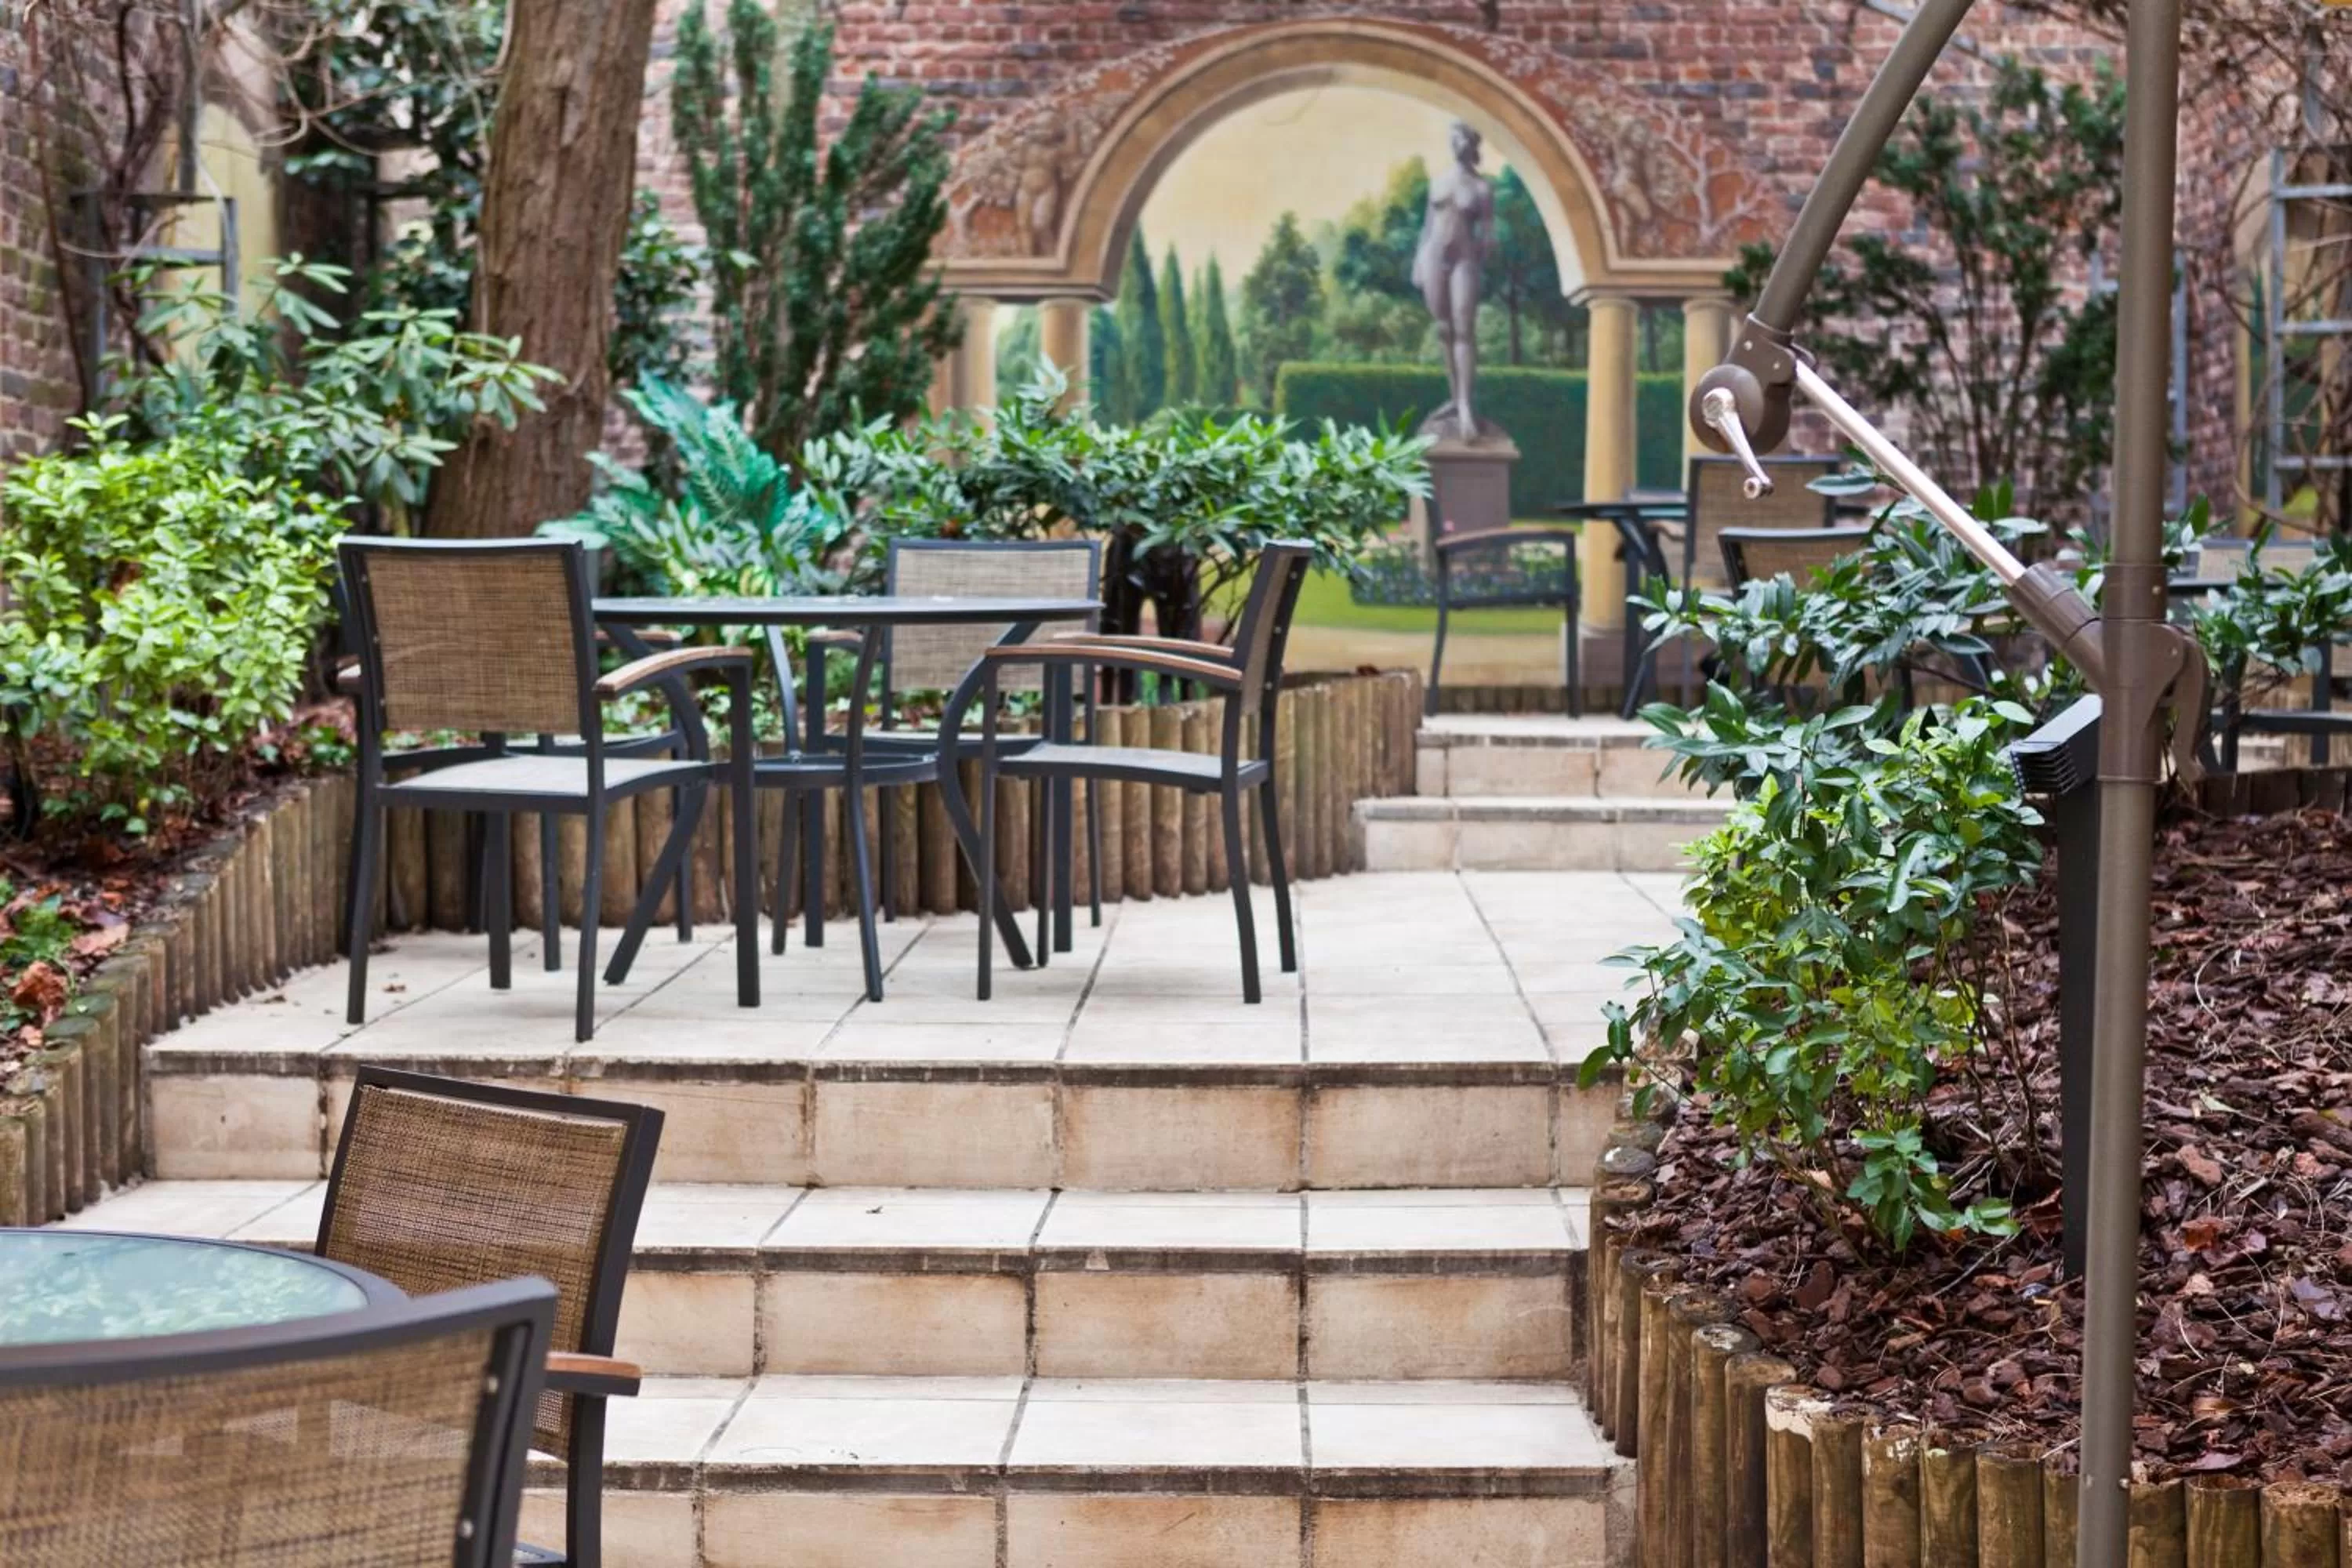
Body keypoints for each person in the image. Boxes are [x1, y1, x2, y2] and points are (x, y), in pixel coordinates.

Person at [1412, 121, 1497, 444]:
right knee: (1443, 329)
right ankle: (1453, 396)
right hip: (1434, 256)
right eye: (1453, 136)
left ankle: (1464, 404)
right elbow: (1426, 226)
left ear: (1472, 143)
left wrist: (1484, 256)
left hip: (1464, 260)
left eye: (1462, 136)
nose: (1457, 142)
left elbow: (1488, 235)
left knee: (1464, 330)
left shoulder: (1482, 188)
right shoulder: (1439, 182)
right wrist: (1418, 263)